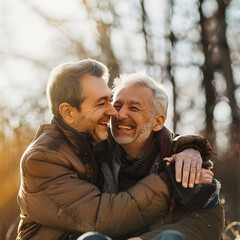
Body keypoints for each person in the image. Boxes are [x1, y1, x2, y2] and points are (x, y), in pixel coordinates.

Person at [17, 59, 216, 240]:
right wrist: (172, 179)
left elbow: (207, 217)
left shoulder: (100, 141)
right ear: (68, 112)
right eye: (103, 103)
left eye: (109, 100)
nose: (115, 113)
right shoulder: (42, 159)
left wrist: (191, 148)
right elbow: (101, 217)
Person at [100, 72, 224, 240]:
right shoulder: (99, 156)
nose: (120, 115)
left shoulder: (182, 161)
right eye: (117, 105)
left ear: (157, 122)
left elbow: (207, 222)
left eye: (134, 108)